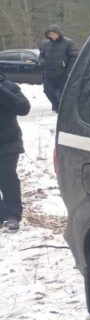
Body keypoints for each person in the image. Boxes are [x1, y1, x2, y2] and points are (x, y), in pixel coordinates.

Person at [0, 69, 30, 232]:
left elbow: (24, 108)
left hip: (7, 142)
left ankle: (12, 217)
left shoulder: (8, 86)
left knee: (6, 176)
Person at [39, 24, 77, 111]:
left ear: (59, 33)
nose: (52, 36)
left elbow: (74, 56)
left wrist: (68, 69)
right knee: (47, 91)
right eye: (50, 34)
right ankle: (56, 105)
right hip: (48, 73)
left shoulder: (68, 43)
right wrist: (42, 62)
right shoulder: (45, 44)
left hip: (62, 73)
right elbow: (41, 55)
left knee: (63, 93)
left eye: (54, 33)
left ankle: (62, 108)